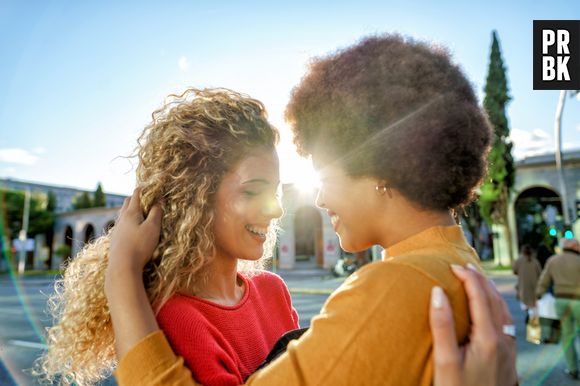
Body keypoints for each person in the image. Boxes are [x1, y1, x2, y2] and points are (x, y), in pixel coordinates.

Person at [108, 34, 517, 385]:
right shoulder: (454, 261)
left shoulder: (394, 287)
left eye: (323, 172)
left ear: (378, 163)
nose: (318, 198)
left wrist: (121, 277)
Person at [37, 88, 300, 385]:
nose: (276, 210)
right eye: (253, 191)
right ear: (195, 199)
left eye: (274, 191)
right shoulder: (177, 318)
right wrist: (122, 269)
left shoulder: (273, 290)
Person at [536, 237, 580, 380]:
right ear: (573, 246)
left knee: (567, 336)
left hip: (560, 301)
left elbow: (544, 280)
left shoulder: (553, 261)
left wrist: (539, 295)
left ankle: (572, 368)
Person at [513, 244, 542, 319]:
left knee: (526, 305)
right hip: (534, 287)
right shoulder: (535, 261)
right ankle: (533, 319)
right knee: (534, 307)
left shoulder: (519, 260)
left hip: (523, 287)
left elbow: (515, 271)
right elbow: (540, 273)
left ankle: (528, 318)